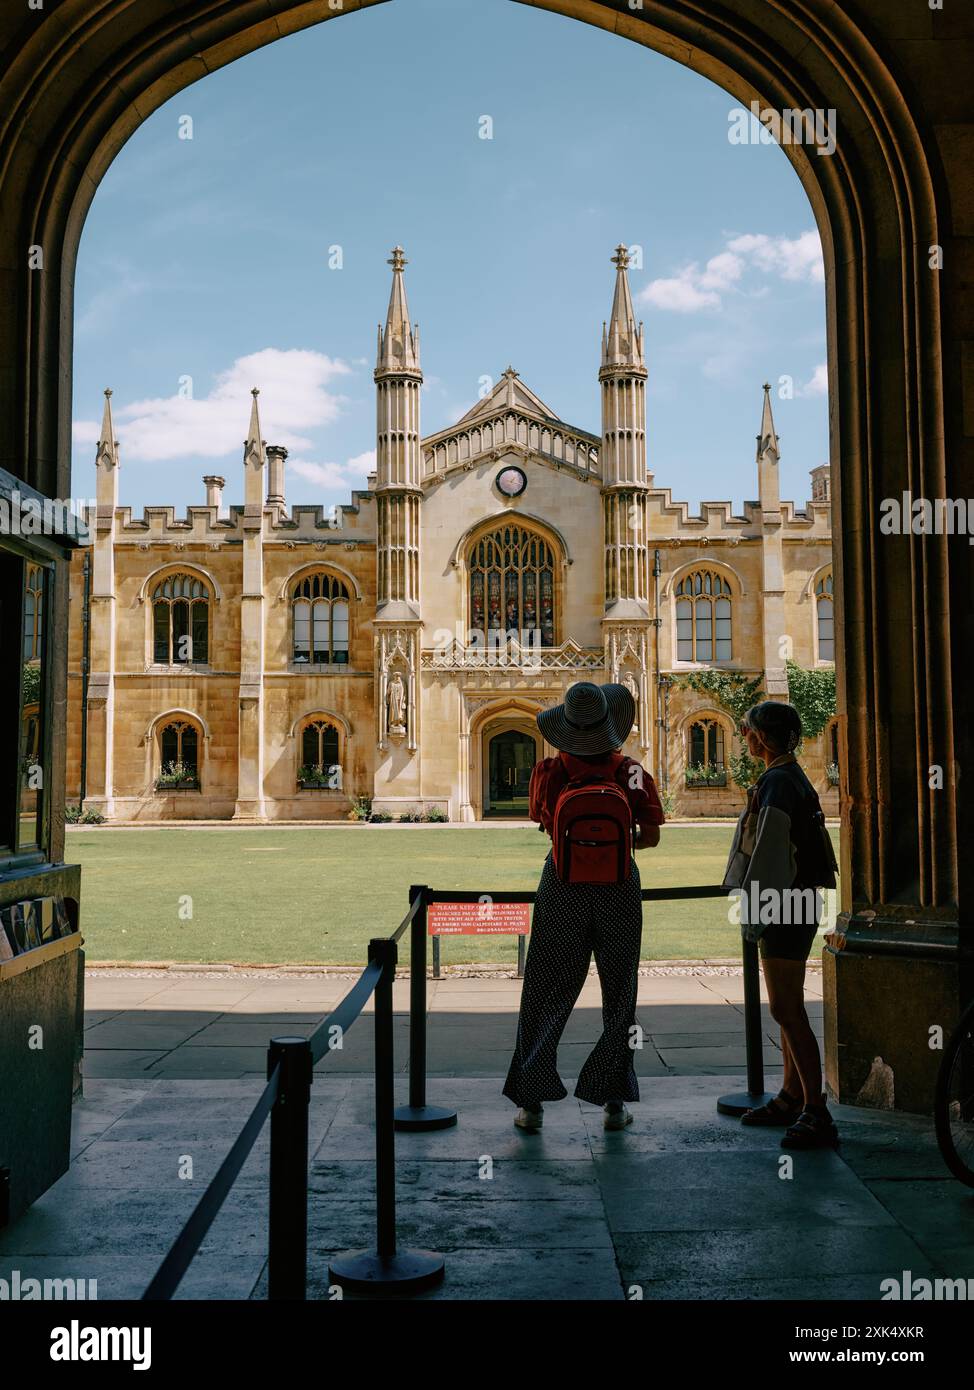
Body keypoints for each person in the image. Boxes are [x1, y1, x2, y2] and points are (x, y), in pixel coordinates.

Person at [503, 681, 664, 1133]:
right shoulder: (632, 772)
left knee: (544, 991)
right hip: (618, 886)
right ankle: (613, 1100)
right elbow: (650, 836)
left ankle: (530, 1104)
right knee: (620, 993)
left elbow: (545, 827)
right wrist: (612, 845)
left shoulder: (549, 770)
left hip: (562, 885)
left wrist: (581, 843)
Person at [723, 700, 839, 1149]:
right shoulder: (788, 776)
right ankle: (792, 1096)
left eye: (748, 731)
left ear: (762, 737)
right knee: (787, 1008)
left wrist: (754, 912)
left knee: (785, 1009)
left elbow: (771, 853)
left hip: (784, 902)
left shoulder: (776, 782)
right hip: (798, 899)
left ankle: (817, 1110)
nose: (745, 736)